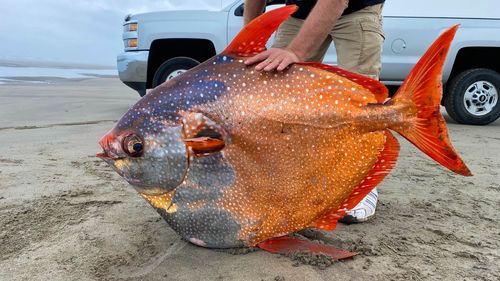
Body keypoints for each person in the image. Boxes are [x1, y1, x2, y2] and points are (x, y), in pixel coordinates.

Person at [243, 0, 385, 222]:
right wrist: (250, 42)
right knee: (277, 92)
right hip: (300, 11)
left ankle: (362, 185)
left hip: (357, 7)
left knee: (360, 97)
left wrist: (296, 51)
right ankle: (292, 181)